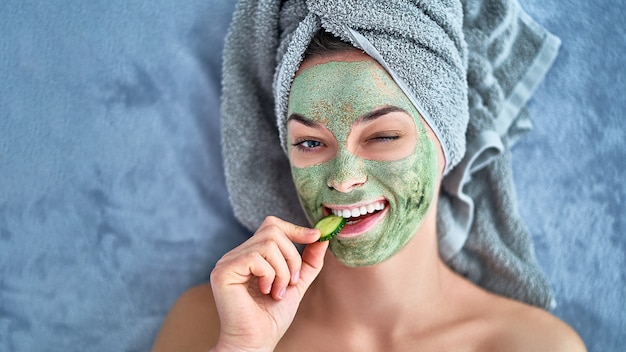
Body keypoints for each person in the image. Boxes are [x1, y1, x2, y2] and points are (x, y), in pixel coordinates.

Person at [152, 28, 586, 351]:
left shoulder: (532, 344)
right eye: (310, 142)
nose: (342, 178)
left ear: (447, 142)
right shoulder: (209, 324)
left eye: (382, 137)